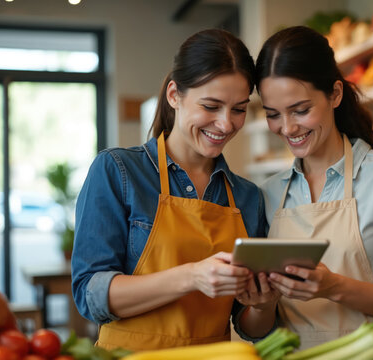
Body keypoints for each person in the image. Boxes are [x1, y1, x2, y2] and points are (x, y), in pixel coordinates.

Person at [235, 26, 373, 349]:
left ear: (335, 94)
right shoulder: (268, 193)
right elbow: (254, 331)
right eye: (273, 115)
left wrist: (334, 287)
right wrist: (262, 304)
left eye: (301, 110)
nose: (288, 128)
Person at [71, 29, 267, 351]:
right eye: (211, 106)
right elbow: (90, 297)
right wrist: (191, 277)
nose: (226, 124)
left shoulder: (247, 197)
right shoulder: (118, 171)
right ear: (174, 95)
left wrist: (263, 303)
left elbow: (249, 325)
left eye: (239, 109)